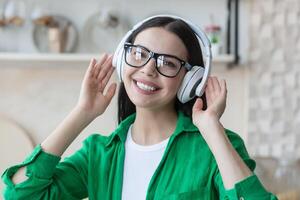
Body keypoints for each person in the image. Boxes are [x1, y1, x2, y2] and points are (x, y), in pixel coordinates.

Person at [1, 15, 277, 200]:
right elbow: (19, 194)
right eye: (139, 54)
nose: (148, 69)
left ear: (190, 80)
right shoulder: (99, 154)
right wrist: (82, 112)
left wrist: (211, 129)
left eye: (167, 62)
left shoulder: (215, 148)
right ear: (123, 61)